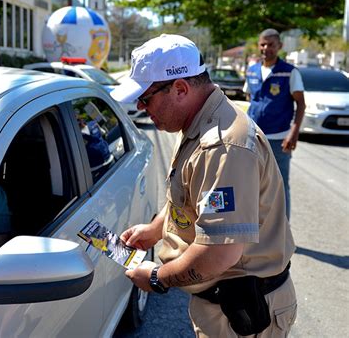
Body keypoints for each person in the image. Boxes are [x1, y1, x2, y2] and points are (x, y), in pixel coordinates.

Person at [111, 34, 296, 338]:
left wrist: (157, 278)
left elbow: (218, 255)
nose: (143, 108)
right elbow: (192, 197)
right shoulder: (201, 122)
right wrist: (156, 229)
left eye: (146, 99)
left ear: (180, 88)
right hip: (228, 305)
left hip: (243, 314)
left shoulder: (223, 145)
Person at [244, 28, 305, 220]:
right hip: (253, 138)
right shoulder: (252, 70)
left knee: (279, 185)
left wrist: (293, 133)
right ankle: (255, 226)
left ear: (279, 46)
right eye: (263, 44)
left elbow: (301, 104)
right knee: (251, 183)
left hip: (279, 139)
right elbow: (249, 97)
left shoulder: (289, 72)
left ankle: (282, 229)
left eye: (271, 44)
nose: (266, 48)